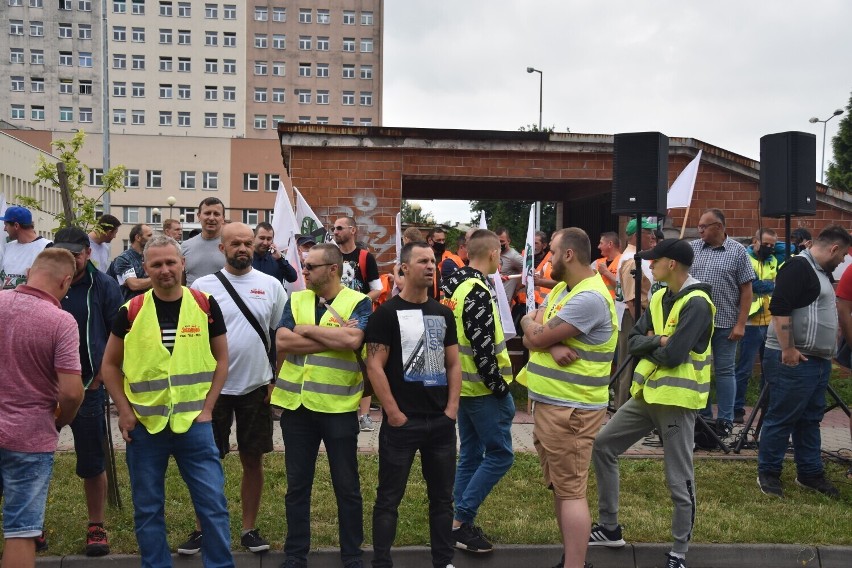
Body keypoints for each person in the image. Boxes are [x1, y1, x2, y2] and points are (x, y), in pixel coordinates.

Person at [100, 235, 234, 568]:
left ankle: (220, 564)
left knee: (212, 505)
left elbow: (221, 360)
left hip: (195, 425)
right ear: (145, 268)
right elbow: (109, 365)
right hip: (146, 428)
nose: (164, 270)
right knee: (147, 508)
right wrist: (125, 413)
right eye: (156, 264)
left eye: (170, 262)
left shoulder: (204, 304)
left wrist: (208, 409)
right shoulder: (131, 310)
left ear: (182, 263)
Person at [591, 239, 714, 568]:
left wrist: (652, 345)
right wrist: (657, 341)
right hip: (646, 397)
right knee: (602, 445)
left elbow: (675, 356)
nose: (649, 266)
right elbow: (632, 342)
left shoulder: (698, 302)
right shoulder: (659, 296)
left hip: (675, 403)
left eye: (654, 261)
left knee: (678, 476)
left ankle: (679, 551)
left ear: (671, 264)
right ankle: (609, 527)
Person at [517, 227, 617, 568]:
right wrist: (546, 338)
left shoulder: (588, 298)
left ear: (569, 255)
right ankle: (570, 561)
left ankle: (575, 565)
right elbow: (528, 323)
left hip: (571, 410)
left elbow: (533, 331)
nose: (549, 261)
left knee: (571, 491)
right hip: (555, 407)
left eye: (554, 254)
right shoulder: (564, 288)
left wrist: (541, 334)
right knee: (562, 488)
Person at [271, 243, 372, 568]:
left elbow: (353, 341)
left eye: (310, 266)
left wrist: (304, 330)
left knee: (347, 486)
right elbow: (282, 341)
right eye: (304, 266)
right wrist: (329, 335)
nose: (304, 272)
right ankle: (295, 555)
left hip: (339, 406)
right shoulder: (297, 298)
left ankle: (352, 556)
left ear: (332, 269)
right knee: (297, 486)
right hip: (296, 408)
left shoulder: (359, 301)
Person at [189, 223, 287, 554]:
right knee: (206, 461)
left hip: (255, 387)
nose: (242, 248)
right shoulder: (202, 287)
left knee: (252, 458)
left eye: (247, 242)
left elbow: (279, 336)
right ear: (222, 248)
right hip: (211, 392)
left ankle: (248, 528)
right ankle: (203, 529)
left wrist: (276, 378)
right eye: (235, 243)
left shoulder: (272, 286)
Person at [366, 242, 462, 568]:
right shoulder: (386, 313)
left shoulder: (442, 312)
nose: (430, 265)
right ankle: (381, 562)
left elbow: (454, 364)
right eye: (422, 261)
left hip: (440, 423)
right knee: (389, 499)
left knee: (442, 500)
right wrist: (392, 413)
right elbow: (375, 366)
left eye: (432, 260)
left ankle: (443, 561)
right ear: (404, 268)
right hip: (401, 424)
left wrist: (451, 410)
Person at [0, 248, 83, 568]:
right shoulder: (61, 321)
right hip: (30, 437)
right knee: (20, 531)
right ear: (65, 281)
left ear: (32, 271)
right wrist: (62, 420)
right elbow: (72, 393)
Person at [756, 225, 852, 499]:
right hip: (794, 359)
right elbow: (779, 307)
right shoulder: (798, 268)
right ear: (833, 248)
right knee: (782, 416)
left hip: (815, 361)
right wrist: (788, 349)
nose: (843, 260)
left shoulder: (820, 272)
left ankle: (809, 473)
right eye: (843, 254)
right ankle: (769, 473)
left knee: (810, 418)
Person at [440, 229, 514, 554]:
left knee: (470, 454)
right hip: (485, 391)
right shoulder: (478, 290)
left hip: (462, 388)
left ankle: (454, 522)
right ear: (494, 254)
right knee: (500, 455)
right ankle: (460, 522)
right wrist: (501, 389)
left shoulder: (452, 285)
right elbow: (485, 351)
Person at [54, 227, 123, 557]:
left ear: (88, 252)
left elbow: (119, 335)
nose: (71, 259)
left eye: (76, 253)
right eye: (64, 252)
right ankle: (32, 527)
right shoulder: (47, 282)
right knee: (33, 459)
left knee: (92, 461)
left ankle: (96, 525)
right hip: (44, 390)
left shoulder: (105, 286)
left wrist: (101, 377)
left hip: (88, 390)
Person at [688, 209, 755, 432]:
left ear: (718, 226)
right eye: (699, 226)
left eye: (703, 226)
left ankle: (725, 420)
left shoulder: (738, 252)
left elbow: (747, 291)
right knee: (700, 369)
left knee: (725, 370)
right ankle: (704, 417)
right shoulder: (693, 248)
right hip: (697, 324)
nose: (700, 230)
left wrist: (741, 324)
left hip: (726, 322)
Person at [332, 216, 382, 432]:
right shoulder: (330, 255)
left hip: (359, 318)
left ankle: (364, 415)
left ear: (353, 230)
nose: (335, 231)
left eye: (339, 228)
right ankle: (341, 410)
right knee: (336, 361)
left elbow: (377, 288)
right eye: (333, 228)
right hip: (332, 316)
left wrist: (360, 304)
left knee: (363, 365)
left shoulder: (364, 257)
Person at [733, 228, 778, 423]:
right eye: (766, 243)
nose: (769, 248)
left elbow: (771, 283)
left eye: (772, 245)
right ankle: (737, 409)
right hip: (750, 321)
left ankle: (765, 407)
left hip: (769, 320)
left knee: (769, 371)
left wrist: (769, 284)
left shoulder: (773, 260)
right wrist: (772, 285)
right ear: (755, 241)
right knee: (744, 369)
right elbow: (755, 286)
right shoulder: (746, 258)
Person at [611, 218, 656, 410]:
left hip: (635, 315)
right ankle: (622, 411)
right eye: (649, 233)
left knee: (631, 365)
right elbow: (631, 298)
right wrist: (642, 327)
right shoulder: (631, 260)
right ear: (638, 235)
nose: (653, 236)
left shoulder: (637, 257)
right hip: (633, 316)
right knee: (628, 367)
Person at [1, 205, 53, 290]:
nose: (4, 229)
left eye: (6, 225)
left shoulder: (46, 247)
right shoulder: (8, 247)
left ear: (16, 226)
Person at [182, 197, 226, 286]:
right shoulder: (185, 246)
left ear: (223, 218)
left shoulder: (230, 246)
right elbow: (181, 283)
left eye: (216, 214)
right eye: (207, 213)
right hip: (192, 299)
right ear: (199, 216)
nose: (211, 218)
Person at [110, 223, 153, 301]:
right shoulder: (124, 258)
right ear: (138, 237)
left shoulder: (150, 256)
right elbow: (134, 284)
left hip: (150, 305)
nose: (152, 239)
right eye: (149, 236)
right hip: (131, 307)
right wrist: (156, 279)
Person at [518, 231, 553, 308]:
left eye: (536, 243)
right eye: (530, 242)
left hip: (541, 303)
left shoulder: (551, 259)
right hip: (522, 303)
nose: (532, 245)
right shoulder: (522, 257)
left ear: (544, 245)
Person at [495, 228, 523, 301]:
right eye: (496, 241)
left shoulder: (514, 256)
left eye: (502, 241)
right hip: (492, 299)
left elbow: (530, 271)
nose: (499, 244)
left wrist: (517, 288)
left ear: (509, 241)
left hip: (504, 302)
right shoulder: (493, 254)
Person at [595, 232, 622, 299]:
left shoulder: (624, 261)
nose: (598, 246)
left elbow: (626, 288)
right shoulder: (597, 262)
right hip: (600, 304)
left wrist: (606, 272)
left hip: (617, 306)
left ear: (610, 244)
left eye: (601, 243)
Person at [426, 228, 448, 299]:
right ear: (430, 240)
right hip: (427, 298)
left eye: (443, 240)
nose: (442, 243)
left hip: (445, 300)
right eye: (438, 240)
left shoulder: (449, 256)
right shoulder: (423, 256)